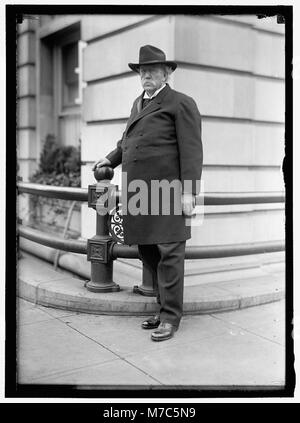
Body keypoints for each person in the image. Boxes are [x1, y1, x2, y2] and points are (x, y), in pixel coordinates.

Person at [93, 45, 203, 341]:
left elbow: (192, 151)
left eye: (153, 70)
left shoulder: (181, 103)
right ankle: (163, 308)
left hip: (168, 192)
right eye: (142, 71)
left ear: (167, 73)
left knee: (170, 254)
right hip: (140, 193)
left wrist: (190, 193)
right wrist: (110, 159)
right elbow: (127, 140)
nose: (146, 76)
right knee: (148, 250)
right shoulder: (138, 103)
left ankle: (170, 318)